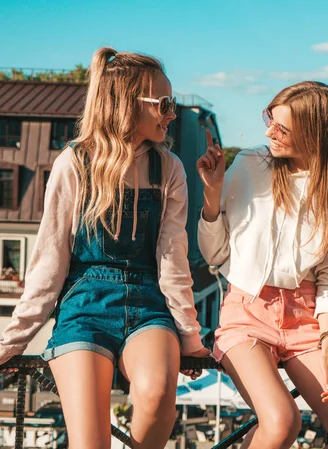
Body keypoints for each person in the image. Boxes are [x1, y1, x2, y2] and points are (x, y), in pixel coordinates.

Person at [0, 47, 209, 449]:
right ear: (128, 104)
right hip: (84, 304)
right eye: (164, 103)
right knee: (90, 443)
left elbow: (172, 259)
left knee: (158, 396)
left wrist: (189, 336)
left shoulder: (168, 169)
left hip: (149, 303)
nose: (171, 113)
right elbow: (50, 260)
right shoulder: (73, 164)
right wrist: (14, 340)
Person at [197, 81, 328, 449]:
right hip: (247, 313)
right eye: (269, 119)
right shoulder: (250, 164)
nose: (268, 132)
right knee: (281, 422)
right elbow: (214, 255)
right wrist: (212, 197)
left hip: (307, 320)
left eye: (281, 128)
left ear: (315, 133)